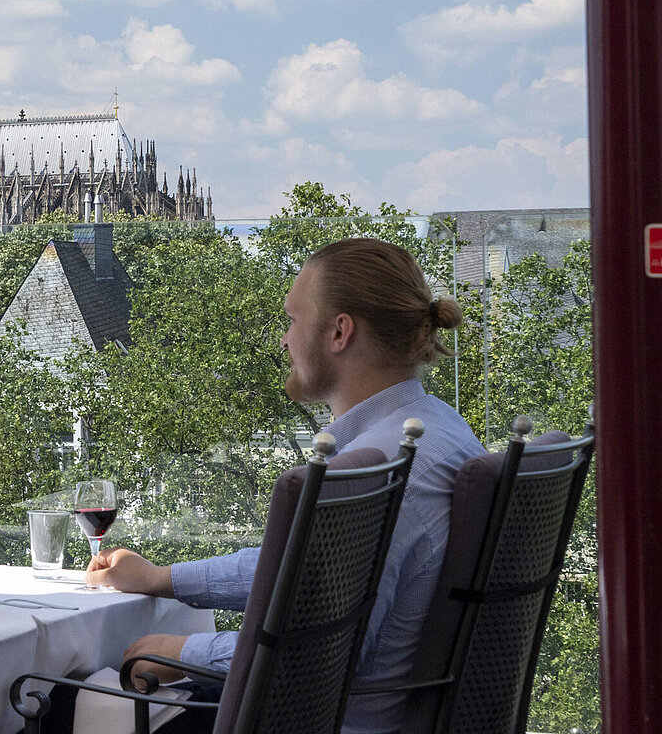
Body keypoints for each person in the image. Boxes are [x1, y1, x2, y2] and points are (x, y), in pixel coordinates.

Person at [85, 237, 483, 734]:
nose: (284, 340)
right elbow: (305, 574)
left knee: (56, 702)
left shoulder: (377, 475)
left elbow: (316, 650)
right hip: (371, 711)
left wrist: (183, 652)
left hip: (319, 719)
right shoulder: (440, 429)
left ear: (339, 333)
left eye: (293, 321)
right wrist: (163, 578)